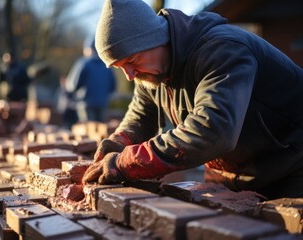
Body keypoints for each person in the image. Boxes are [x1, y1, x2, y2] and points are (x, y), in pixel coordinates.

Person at [82, 0, 303, 200]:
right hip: (233, 172)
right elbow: (140, 116)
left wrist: (126, 163)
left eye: (132, 60)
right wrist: (118, 143)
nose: (129, 75)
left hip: (292, 166)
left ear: (158, 38)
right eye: (120, 67)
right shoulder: (149, 72)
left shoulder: (224, 50)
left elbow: (213, 130)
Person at [65, 36, 116, 123]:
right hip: (103, 103)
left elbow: (72, 85)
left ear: (88, 48)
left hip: (85, 103)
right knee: (101, 130)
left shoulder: (83, 63)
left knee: (88, 130)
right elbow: (113, 86)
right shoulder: (107, 65)